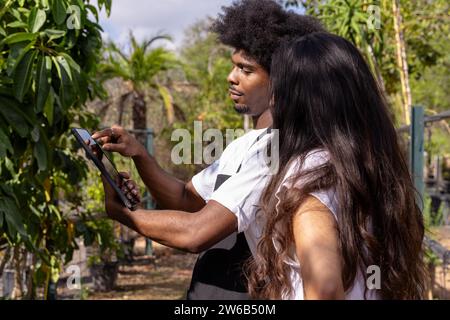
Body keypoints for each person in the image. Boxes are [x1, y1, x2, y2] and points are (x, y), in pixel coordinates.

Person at [92, 0, 325, 299]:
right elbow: (186, 199)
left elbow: (195, 233)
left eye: (246, 69)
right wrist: (139, 154)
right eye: (233, 65)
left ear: (280, 82)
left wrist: (123, 214)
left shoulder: (277, 150)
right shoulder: (245, 145)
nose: (231, 76)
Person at [244, 32, 427, 299]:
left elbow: (325, 289)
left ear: (296, 101)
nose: (272, 102)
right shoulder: (374, 168)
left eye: (277, 92)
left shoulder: (309, 173)